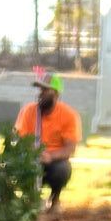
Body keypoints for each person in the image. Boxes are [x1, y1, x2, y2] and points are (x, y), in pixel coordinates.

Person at [14, 74, 81, 213]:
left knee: (63, 169)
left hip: (53, 161)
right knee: (18, 166)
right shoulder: (28, 111)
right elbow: (19, 138)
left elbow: (70, 149)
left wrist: (49, 156)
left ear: (55, 94)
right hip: (31, 158)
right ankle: (32, 199)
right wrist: (32, 152)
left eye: (45, 90)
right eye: (40, 90)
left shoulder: (69, 115)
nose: (41, 93)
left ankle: (55, 200)